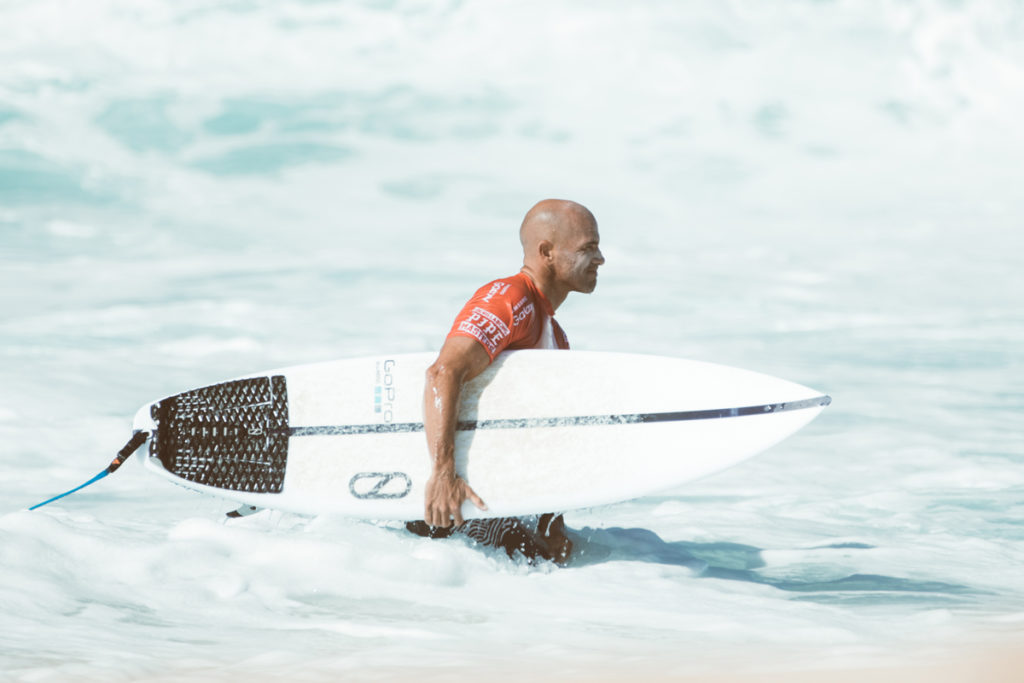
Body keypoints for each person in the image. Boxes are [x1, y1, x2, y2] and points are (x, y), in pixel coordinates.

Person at [405, 198, 605, 565]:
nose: (600, 258)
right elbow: (443, 372)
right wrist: (443, 473)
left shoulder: (556, 337)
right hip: (448, 505)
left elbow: (548, 436)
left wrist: (551, 524)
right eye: (588, 248)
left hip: (490, 504)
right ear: (546, 252)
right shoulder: (510, 299)